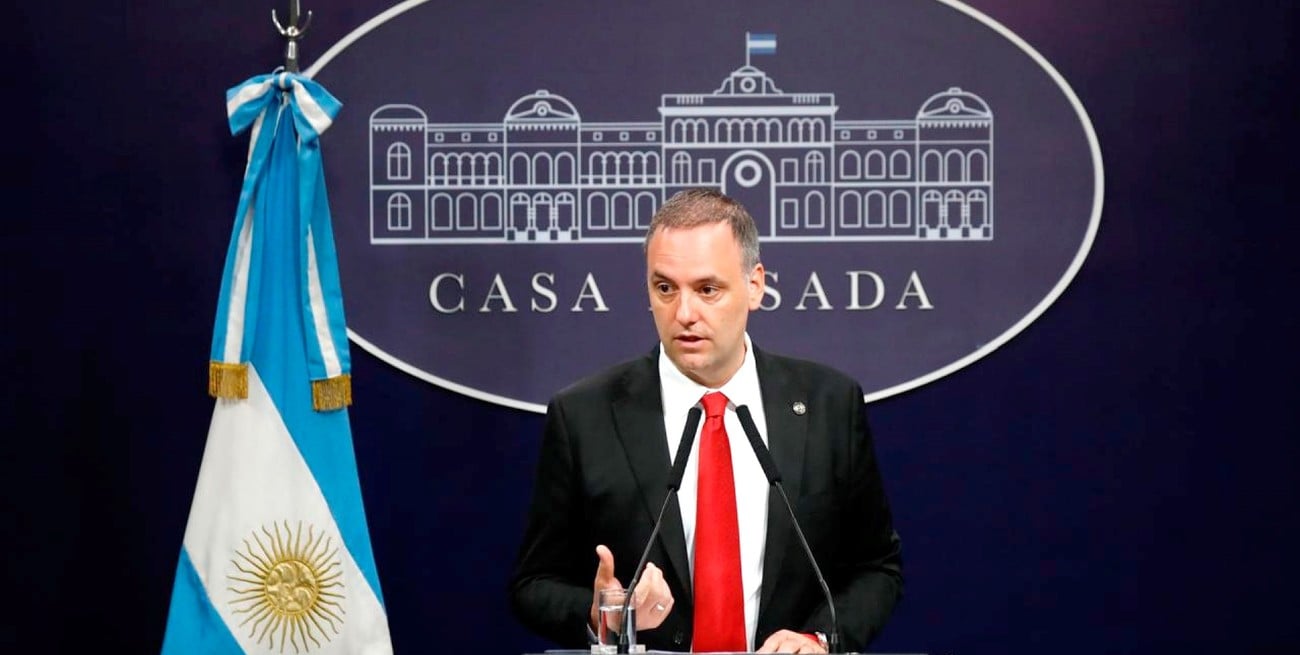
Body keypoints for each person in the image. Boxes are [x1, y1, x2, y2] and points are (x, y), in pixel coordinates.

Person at [509, 188, 903, 653]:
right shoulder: (584, 415)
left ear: (755, 286)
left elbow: (876, 568)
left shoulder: (828, 404)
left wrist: (816, 639)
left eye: (707, 289)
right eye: (665, 288)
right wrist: (606, 612)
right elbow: (534, 584)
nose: (684, 314)